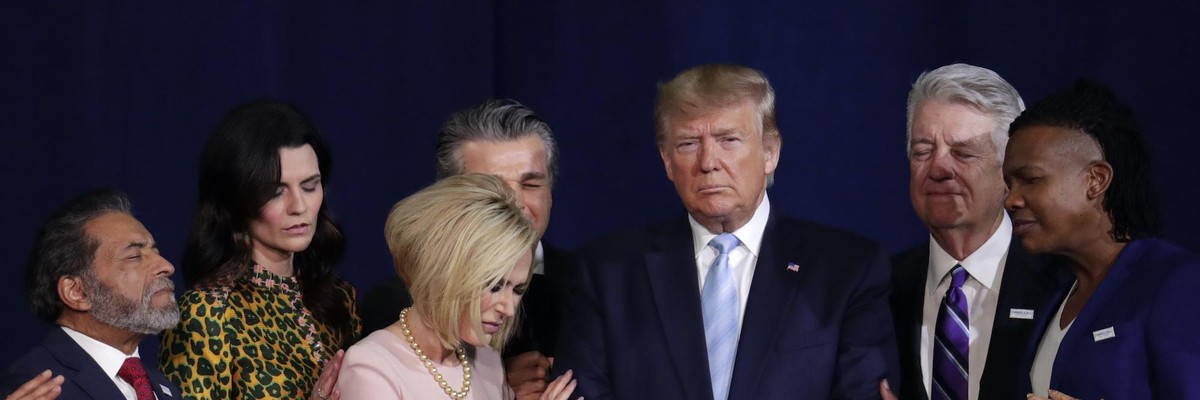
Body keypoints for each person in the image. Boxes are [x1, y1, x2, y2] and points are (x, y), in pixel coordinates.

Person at [553, 64, 899, 399]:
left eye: (729, 140)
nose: (708, 162)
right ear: (667, 160)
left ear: (770, 152)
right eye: (688, 143)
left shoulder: (848, 271)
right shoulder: (606, 275)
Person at [359, 99, 573, 399]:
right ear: (452, 197)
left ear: (551, 191)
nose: (514, 202)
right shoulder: (394, 304)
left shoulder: (588, 285)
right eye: (491, 188)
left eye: (530, 184)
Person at [1003, 79, 1200, 399]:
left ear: (1096, 180)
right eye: (1009, 184)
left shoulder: (1176, 282)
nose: (1011, 200)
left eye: (1031, 179)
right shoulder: (1053, 293)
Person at [159, 101, 360, 399]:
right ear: (235, 199)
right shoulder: (207, 312)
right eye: (276, 191)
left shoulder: (338, 297)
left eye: (309, 186)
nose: (299, 207)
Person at [889, 63, 1064, 400]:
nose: (938, 168)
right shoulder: (878, 289)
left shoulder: (1062, 285)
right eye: (923, 151)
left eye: (963, 153)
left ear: (1008, 171)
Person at [337, 173, 578, 400]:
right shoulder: (371, 367)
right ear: (446, 272)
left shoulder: (489, 363)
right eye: (494, 286)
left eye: (517, 290)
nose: (509, 309)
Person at [1, 189, 183, 400]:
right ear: (77, 292)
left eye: (156, 252)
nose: (166, 266)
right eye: (134, 256)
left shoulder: (163, 387)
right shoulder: (35, 386)